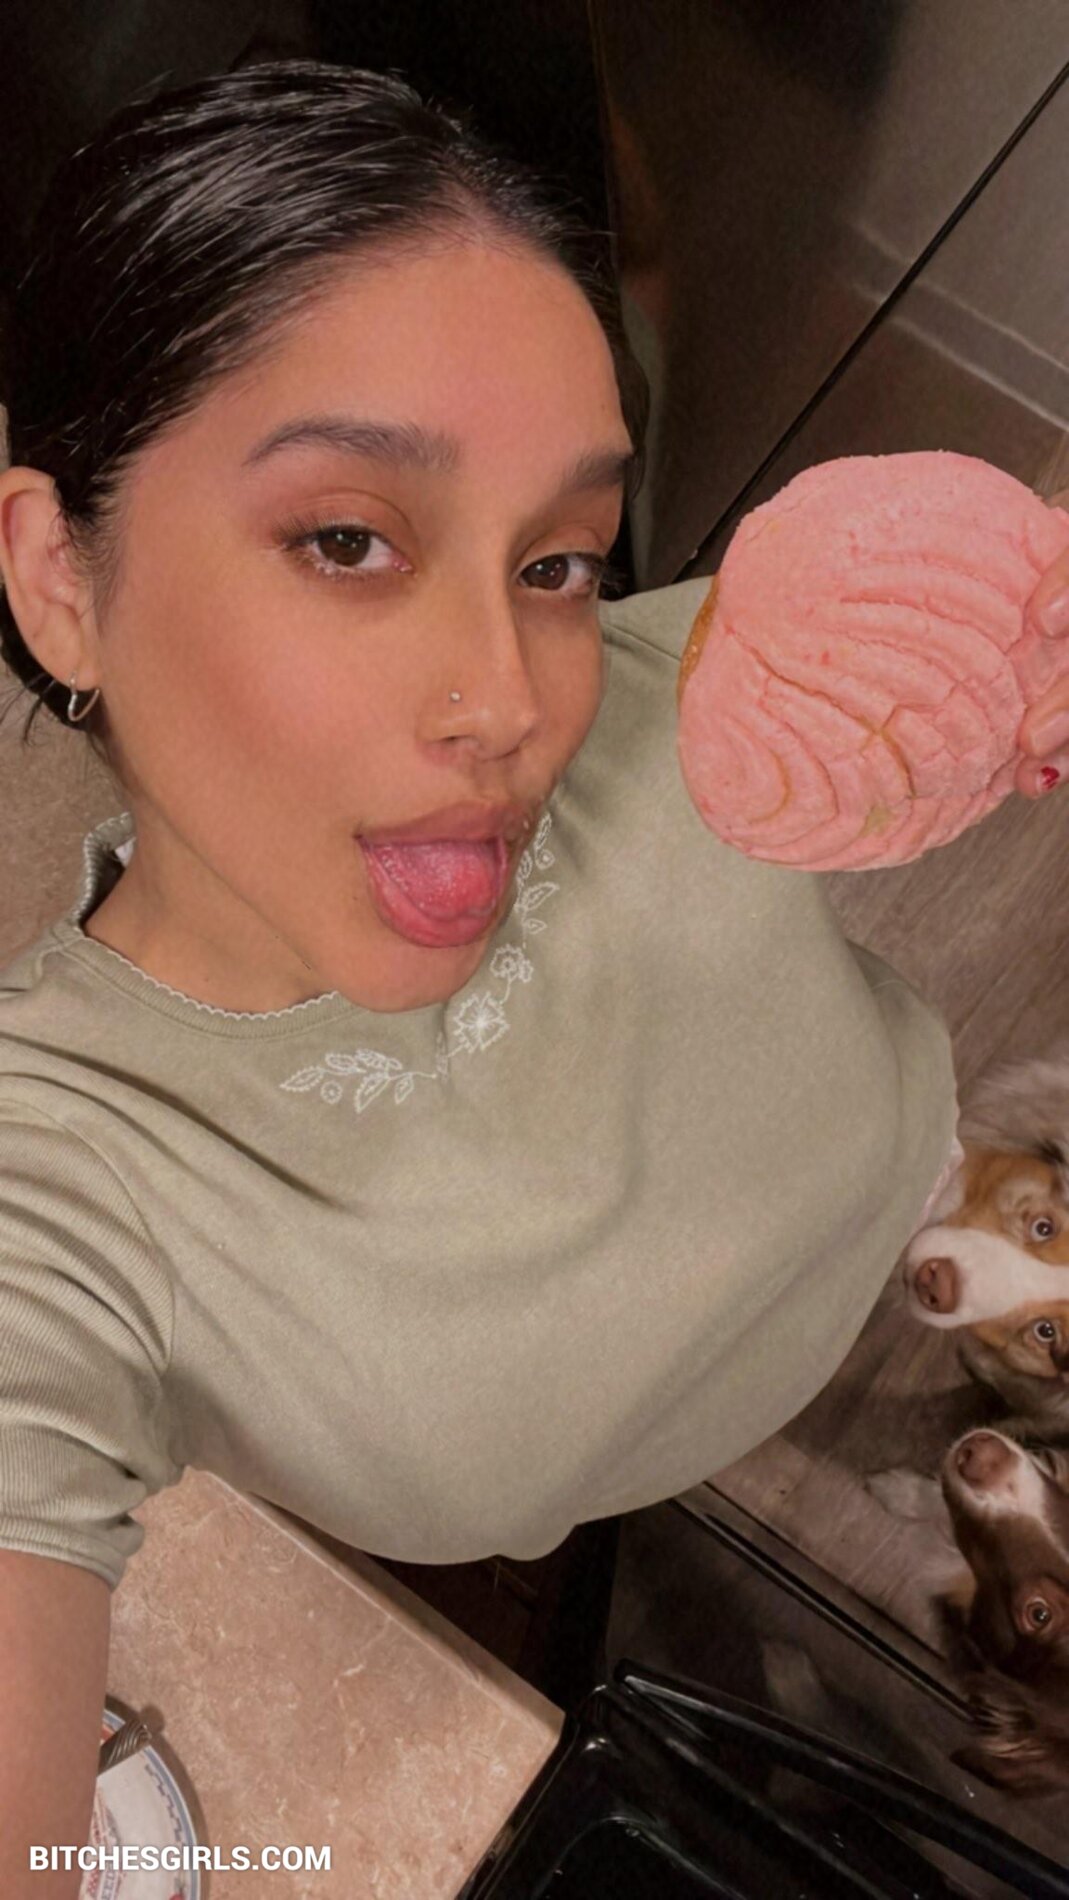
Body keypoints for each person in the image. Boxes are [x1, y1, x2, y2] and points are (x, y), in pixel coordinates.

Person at [0, 58, 1067, 1894]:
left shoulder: (691, 695)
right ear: (60, 577)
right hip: (603, 1497)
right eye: (349, 540)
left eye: (560, 558)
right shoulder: (56, 1192)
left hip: (903, 1195)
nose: (513, 702)